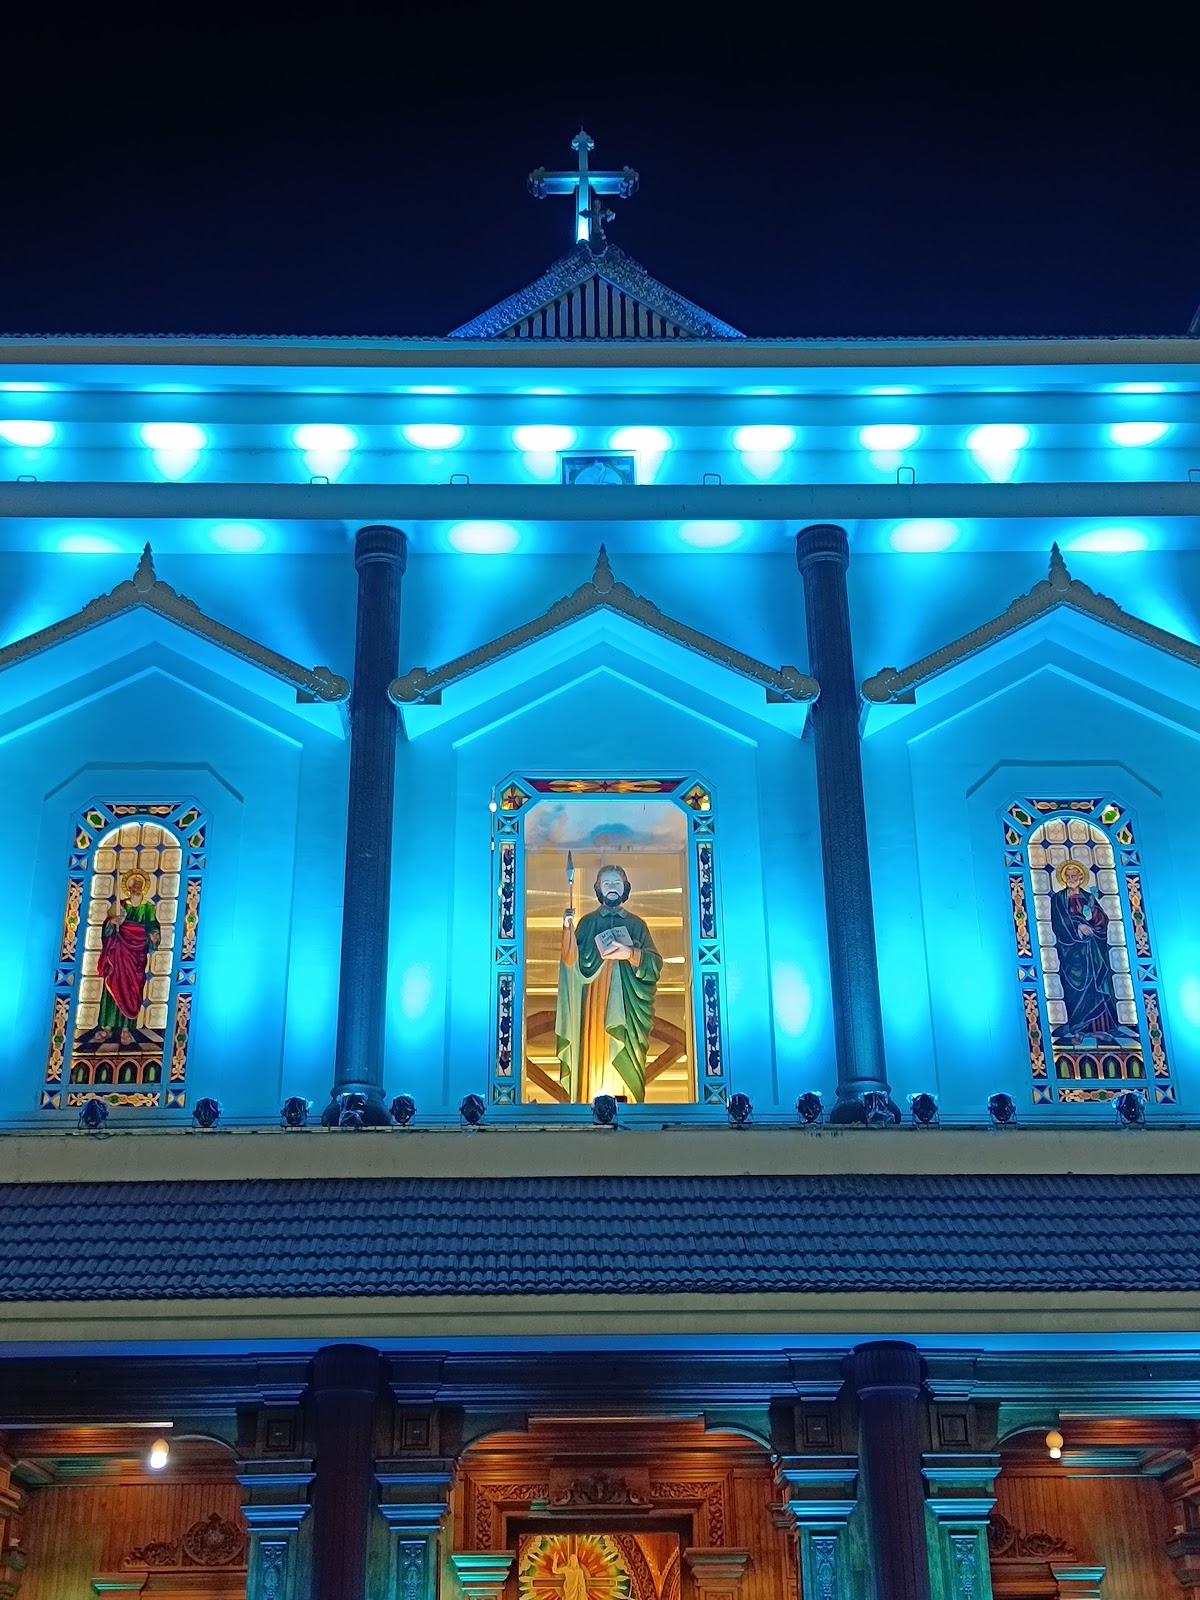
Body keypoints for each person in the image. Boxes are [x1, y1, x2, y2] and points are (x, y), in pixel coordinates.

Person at [555, 864, 662, 1102]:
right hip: (595, 1006)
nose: (612, 888)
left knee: (624, 1057)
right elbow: (572, 962)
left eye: (616, 883)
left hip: (627, 1006)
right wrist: (567, 928)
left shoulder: (637, 925)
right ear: (598, 889)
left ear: (625, 888)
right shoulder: (588, 922)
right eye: (607, 883)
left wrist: (631, 954)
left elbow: (655, 965)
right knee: (595, 1056)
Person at [1049, 860, 1126, 1044]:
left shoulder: (1089, 897)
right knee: (1075, 990)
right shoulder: (1057, 899)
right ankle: (1077, 1029)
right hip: (1072, 952)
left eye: (1074, 876)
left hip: (1093, 953)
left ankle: (1101, 1029)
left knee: (1097, 987)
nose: (1070, 879)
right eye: (1067, 876)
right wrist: (1078, 927)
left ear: (1081, 877)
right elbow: (1058, 924)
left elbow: (1102, 921)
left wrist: (1093, 921)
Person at [92, 870, 160, 1046]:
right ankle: (107, 1026)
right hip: (118, 952)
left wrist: (153, 936)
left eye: (139, 885)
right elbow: (107, 926)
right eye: (133, 885)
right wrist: (112, 923)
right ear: (128, 888)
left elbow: (152, 926)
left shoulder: (148, 907)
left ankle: (126, 1028)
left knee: (132, 989)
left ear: (143, 888)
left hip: (135, 955)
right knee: (113, 985)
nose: (136, 888)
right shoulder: (120, 904)